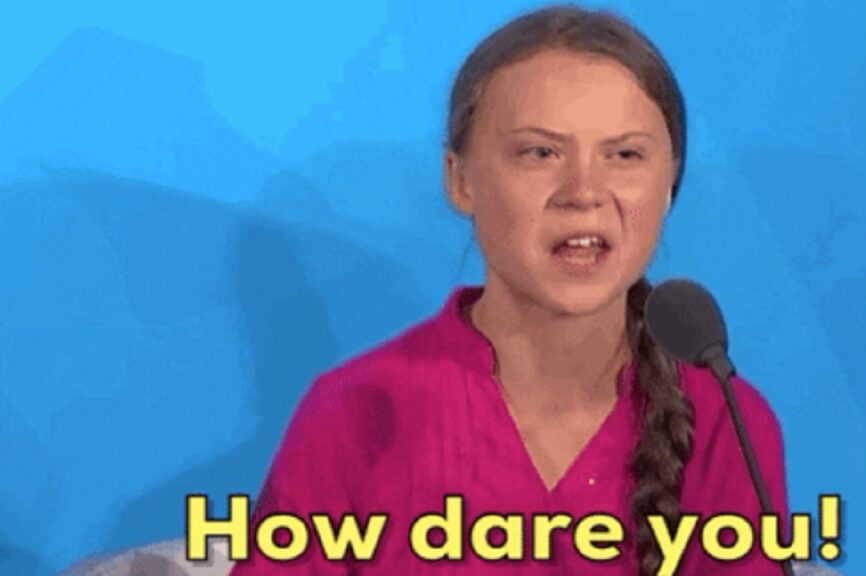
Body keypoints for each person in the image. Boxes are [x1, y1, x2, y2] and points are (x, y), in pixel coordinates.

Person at [229, 5, 788, 575]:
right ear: (460, 180)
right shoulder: (354, 411)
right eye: (539, 153)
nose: (584, 192)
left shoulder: (725, 421)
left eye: (624, 155)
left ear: (668, 185)